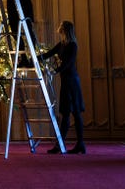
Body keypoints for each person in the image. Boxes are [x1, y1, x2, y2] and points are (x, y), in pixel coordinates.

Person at [40, 20, 86, 154]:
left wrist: (55, 71)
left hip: (72, 82)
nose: (59, 30)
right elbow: (48, 54)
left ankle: (79, 144)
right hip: (66, 82)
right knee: (65, 113)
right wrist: (32, 59)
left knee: (76, 113)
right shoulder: (62, 44)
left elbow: (68, 63)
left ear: (65, 30)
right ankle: (60, 144)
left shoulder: (73, 45)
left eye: (61, 29)